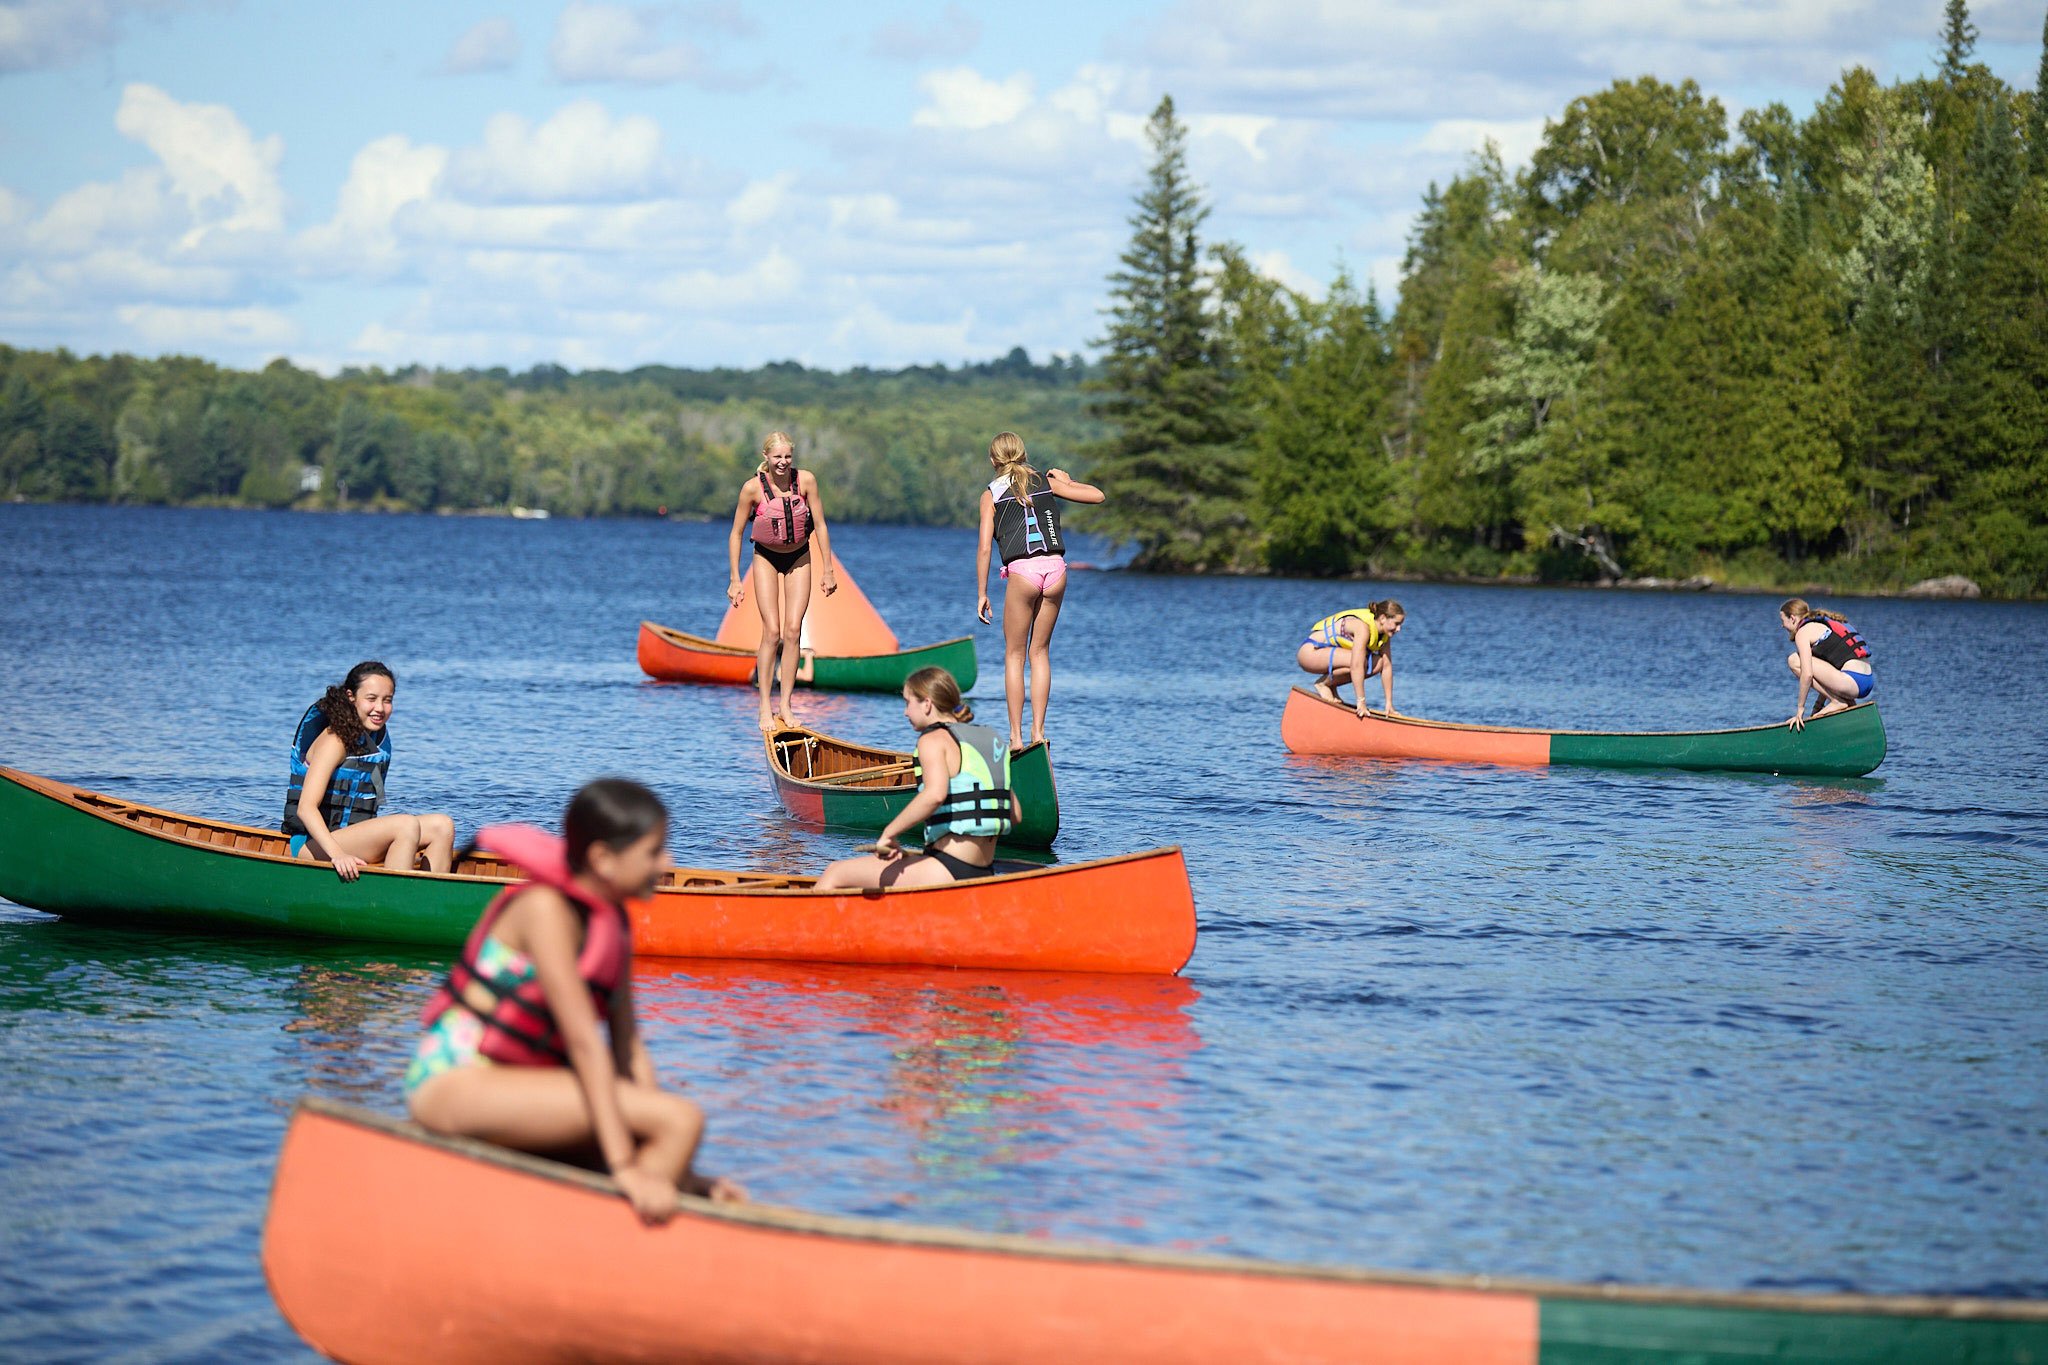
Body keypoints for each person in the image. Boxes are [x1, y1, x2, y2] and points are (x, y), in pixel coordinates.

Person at [406, 778, 741, 1222]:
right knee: (679, 1120)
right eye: (653, 851)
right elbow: (585, 1042)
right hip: (454, 1081)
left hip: (519, 1085)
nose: (667, 862)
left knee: (665, 1127)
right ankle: (617, 1239)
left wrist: (681, 1173)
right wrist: (626, 1164)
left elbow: (628, 1049)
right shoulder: (546, 909)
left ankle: (619, 1225)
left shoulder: (613, 922)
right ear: (603, 859)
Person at [815, 667, 1020, 890]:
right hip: (983, 868)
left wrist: (889, 834)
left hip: (947, 868)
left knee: (835, 873)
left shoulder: (932, 740)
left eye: (907, 702)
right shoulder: (990, 739)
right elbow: (1015, 814)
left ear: (927, 704)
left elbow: (934, 795)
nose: (905, 712)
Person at [974, 431, 1105, 751]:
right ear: (1023, 454)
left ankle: (1016, 738)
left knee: (1014, 656)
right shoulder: (1046, 482)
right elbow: (1098, 495)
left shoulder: (991, 494)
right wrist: (1068, 481)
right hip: (1056, 571)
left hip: (1024, 572)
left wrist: (982, 593)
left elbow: (984, 549)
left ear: (993, 460)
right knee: (1040, 653)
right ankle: (1038, 732)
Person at [283, 661, 455, 881]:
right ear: (351, 697)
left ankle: (429, 900)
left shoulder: (377, 742)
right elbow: (306, 809)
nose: (380, 708)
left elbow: (377, 798)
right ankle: (395, 902)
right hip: (313, 845)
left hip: (354, 837)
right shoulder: (334, 741)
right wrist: (339, 855)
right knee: (405, 824)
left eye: (387, 700)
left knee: (442, 825)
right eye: (371, 699)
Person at [727, 431, 837, 731]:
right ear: (766, 457)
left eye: (787, 457)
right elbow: (736, 533)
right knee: (772, 631)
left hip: (799, 556)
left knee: (792, 630)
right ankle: (764, 706)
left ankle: (786, 705)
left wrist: (828, 569)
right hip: (765, 557)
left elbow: (822, 525)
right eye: (777, 457)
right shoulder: (752, 489)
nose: (783, 462)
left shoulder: (807, 482)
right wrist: (735, 579)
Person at [1296, 601, 1405, 718]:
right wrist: (1361, 702)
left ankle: (1331, 686)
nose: (1399, 629)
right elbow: (1357, 665)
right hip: (1310, 653)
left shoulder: (1384, 635)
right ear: (1383, 618)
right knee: (1361, 661)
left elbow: (1387, 666)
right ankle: (1323, 684)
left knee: (1378, 663)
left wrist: (1389, 704)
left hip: (1329, 656)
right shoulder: (1362, 628)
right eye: (1396, 624)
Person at [1780, 598, 1874, 729]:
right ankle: (1846, 709)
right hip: (1866, 680)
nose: (1782, 626)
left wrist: (1800, 710)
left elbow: (1807, 674)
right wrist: (1818, 707)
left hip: (1852, 680)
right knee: (1803, 662)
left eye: (1783, 621)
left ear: (1793, 618)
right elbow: (1826, 675)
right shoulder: (1821, 625)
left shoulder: (1803, 632)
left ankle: (1838, 701)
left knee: (1794, 660)